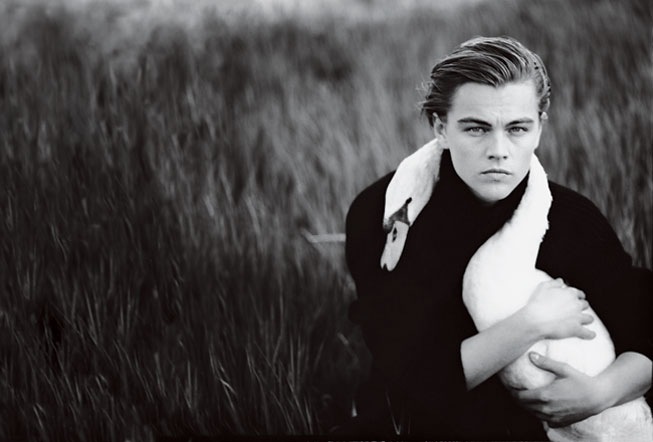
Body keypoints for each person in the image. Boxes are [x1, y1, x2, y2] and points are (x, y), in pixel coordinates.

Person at [342, 36, 652, 439]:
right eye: (476, 128)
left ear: (540, 127)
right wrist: (531, 323)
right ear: (441, 127)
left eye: (517, 128)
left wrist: (599, 394)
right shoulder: (385, 213)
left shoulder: (570, 221)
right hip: (416, 421)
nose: (499, 150)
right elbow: (414, 375)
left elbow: (644, 329)